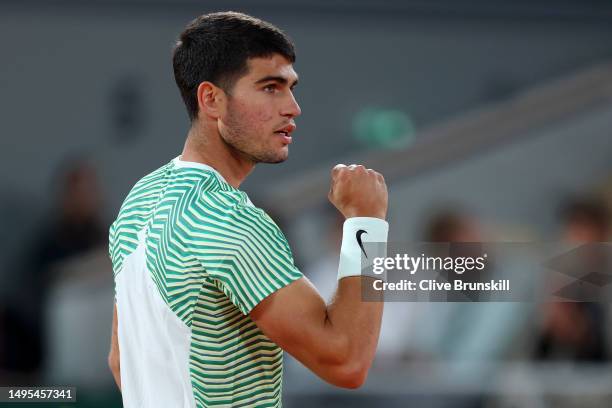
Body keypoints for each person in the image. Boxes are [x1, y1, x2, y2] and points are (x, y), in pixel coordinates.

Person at [107, 11, 389, 408]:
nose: (293, 107)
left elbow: (122, 361)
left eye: (291, 87)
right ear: (211, 99)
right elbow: (346, 360)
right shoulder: (228, 219)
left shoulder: (141, 199)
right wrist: (366, 223)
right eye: (270, 87)